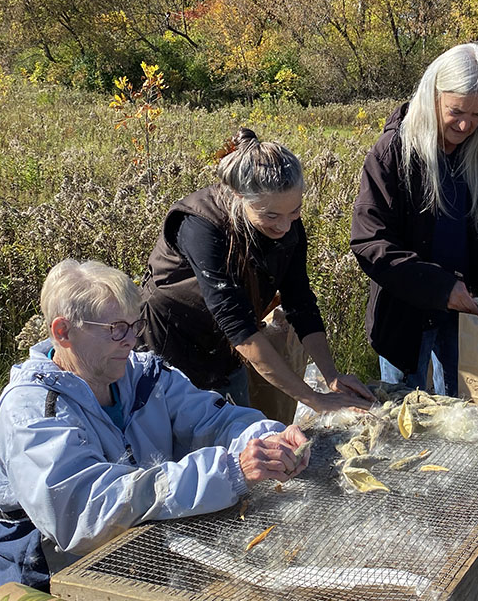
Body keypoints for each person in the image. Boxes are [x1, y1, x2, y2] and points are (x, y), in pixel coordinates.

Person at [0, 259, 311, 592]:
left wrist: (268, 439)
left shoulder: (143, 375)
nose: (131, 340)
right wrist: (228, 470)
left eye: (134, 324)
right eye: (115, 329)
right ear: (63, 332)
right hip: (51, 573)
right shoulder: (32, 412)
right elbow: (86, 513)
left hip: (139, 547)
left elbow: (213, 418)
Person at [141, 128, 373, 418]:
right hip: (171, 343)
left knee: (237, 429)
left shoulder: (287, 223)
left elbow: (299, 301)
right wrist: (313, 399)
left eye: (295, 212)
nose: (284, 226)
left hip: (225, 349)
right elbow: (238, 325)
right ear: (239, 196)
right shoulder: (201, 226)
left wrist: (332, 376)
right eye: (271, 216)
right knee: (184, 440)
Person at [350, 43, 478, 396]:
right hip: (405, 320)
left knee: (471, 417)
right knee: (408, 423)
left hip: (470, 318)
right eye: (456, 111)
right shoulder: (393, 152)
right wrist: (440, 288)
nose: (466, 124)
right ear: (432, 95)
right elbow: (370, 241)